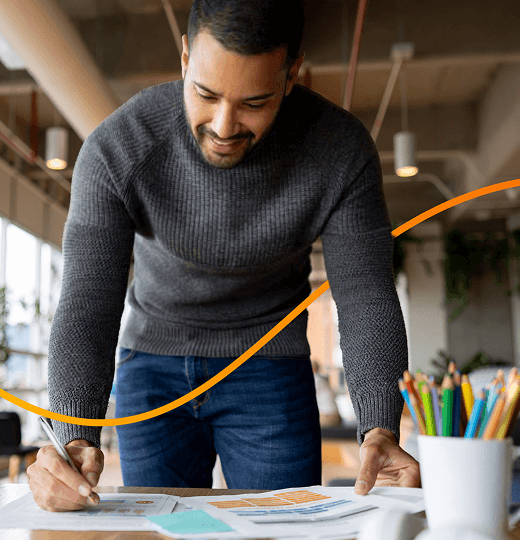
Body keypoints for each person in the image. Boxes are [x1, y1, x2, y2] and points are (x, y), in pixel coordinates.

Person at [27, 0, 421, 512]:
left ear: (290, 75)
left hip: (269, 367)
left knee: (284, 527)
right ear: (186, 56)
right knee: (163, 528)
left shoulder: (340, 152)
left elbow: (366, 295)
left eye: (254, 102)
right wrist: (73, 432)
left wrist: (379, 425)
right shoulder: (117, 148)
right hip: (153, 365)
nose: (224, 125)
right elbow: (87, 302)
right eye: (205, 94)